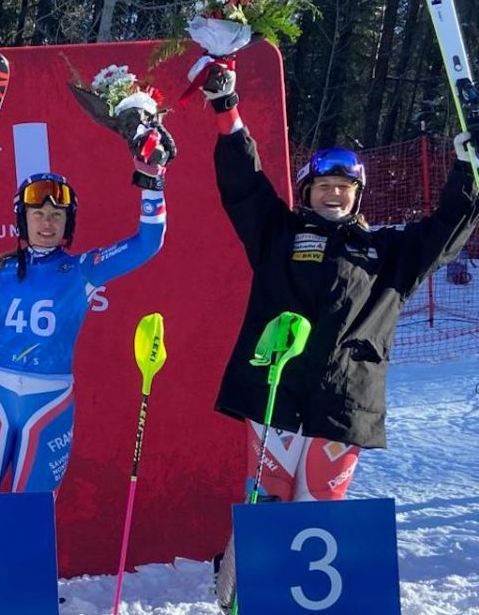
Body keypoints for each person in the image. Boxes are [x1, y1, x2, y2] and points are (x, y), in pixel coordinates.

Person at [186, 56, 479, 612]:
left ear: (358, 196)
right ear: (308, 189)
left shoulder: (388, 253)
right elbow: (244, 186)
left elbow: (446, 231)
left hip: (345, 404)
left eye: (346, 187)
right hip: (276, 394)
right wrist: (228, 113)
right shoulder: (280, 232)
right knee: (269, 502)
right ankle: (240, 597)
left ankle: (308, 605)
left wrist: (469, 169)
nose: (335, 194)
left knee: (320, 507)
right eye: (324, 185)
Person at [0, 103, 175, 495]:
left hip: (49, 400)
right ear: (22, 220)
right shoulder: (5, 270)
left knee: (31, 510)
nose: (47, 223)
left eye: (57, 216)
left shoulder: (83, 269)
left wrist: (153, 180)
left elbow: (148, 243)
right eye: (38, 214)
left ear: (68, 225)